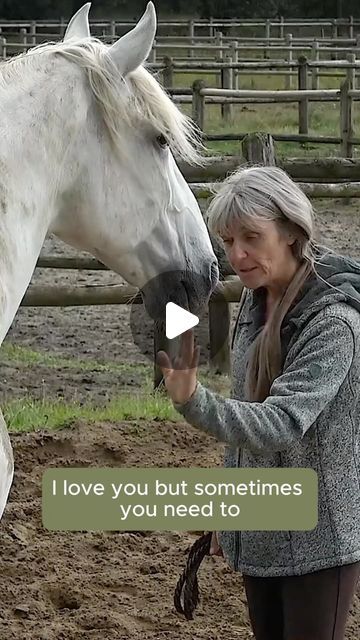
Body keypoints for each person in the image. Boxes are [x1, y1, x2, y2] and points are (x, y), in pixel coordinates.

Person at [157, 166, 360, 640]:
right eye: (228, 242)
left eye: (251, 237)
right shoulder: (259, 298)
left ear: (292, 232)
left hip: (320, 540)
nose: (238, 254)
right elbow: (246, 410)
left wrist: (193, 401)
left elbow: (281, 422)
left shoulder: (334, 323)